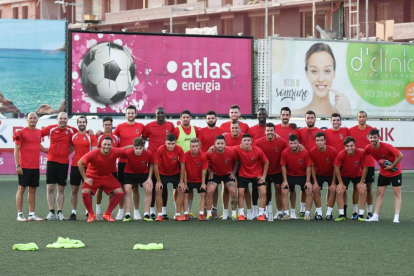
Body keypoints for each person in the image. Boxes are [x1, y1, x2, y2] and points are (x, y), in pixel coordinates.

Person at [294, 42, 351, 115]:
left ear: (334, 73)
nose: (321, 79)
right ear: (307, 73)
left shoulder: (344, 112)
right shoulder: (295, 114)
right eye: (314, 71)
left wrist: (348, 115)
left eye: (327, 71)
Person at [78, 137, 125, 222]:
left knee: (120, 192)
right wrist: (85, 178)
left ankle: (108, 214)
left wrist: (139, 146)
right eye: (105, 144)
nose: (106, 146)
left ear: (112, 145)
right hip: (92, 176)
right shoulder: (93, 153)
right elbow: (80, 162)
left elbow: (125, 148)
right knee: (85, 192)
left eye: (109, 145)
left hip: (107, 176)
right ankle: (91, 214)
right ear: (101, 145)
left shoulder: (115, 151)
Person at [41, 112, 77, 221]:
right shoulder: (51, 129)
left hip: (64, 163)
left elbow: (74, 144)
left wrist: (65, 154)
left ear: (67, 120)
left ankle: (60, 212)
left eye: (64, 118)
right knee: (50, 187)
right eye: (60, 118)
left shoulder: (72, 130)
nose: (62, 120)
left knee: (61, 188)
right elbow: (36, 135)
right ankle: (51, 212)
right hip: (51, 161)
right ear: (57, 119)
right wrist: (46, 151)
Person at [112, 105, 145, 220]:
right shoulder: (119, 127)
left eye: (132, 113)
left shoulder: (141, 126)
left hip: (136, 161)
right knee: (122, 188)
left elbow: (144, 140)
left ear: (136, 114)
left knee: (135, 187)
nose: (130, 115)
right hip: (122, 161)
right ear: (125, 114)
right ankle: (121, 211)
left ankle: (136, 212)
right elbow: (112, 139)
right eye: (128, 113)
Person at [13, 112, 47, 222]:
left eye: (34, 118)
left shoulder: (38, 132)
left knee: (32, 190)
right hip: (24, 166)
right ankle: (20, 214)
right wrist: (18, 165)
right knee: (21, 189)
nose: (32, 120)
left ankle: (32, 214)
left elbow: (37, 144)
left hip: (35, 167)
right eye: (30, 118)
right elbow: (16, 149)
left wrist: (48, 151)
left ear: (37, 120)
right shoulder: (21, 132)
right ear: (27, 120)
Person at [365, 129, 403, 223]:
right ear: (368, 138)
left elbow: (400, 155)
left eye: (375, 137)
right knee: (379, 194)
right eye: (371, 137)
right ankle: (375, 216)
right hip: (383, 173)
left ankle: (396, 217)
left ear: (379, 138)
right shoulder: (368, 148)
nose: (373, 139)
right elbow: (363, 153)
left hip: (395, 172)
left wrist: (391, 166)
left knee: (397, 194)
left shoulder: (387, 147)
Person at [143, 107, 175, 220]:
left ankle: (164, 211)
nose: (160, 115)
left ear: (165, 114)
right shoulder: (149, 126)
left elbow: (174, 139)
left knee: (163, 186)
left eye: (162, 113)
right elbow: (143, 138)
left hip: (165, 160)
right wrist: (145, 150)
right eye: (158, 113)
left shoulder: (170, 125)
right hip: (152, 160)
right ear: (155, 114)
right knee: (152, 186)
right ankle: (152, 211)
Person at [253, 123, 288, 220]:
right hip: (263, 171)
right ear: (265, 132)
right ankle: (262, 213)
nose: (269, 132)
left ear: (274, 131)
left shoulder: (281, 141)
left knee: (278, 189)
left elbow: (290, 148)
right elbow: (251, 150)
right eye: (268, 130)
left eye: (271, 130)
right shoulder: (258, 142)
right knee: (263, 191)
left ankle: (279, 212)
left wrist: (300, 146)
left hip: (277, 170)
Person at [233, 134, 269, 221]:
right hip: (243, 175)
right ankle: (241, 214)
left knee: (263, 192)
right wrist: (213, 147)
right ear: (241, 142)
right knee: (240, 193)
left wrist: (263, 176)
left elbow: (266, 161)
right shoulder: (237, 148)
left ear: (251, 141)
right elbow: (225, 148)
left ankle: (261, 214)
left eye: (248, 140)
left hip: (257, 175)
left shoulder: (257, 150)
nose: (246, 142)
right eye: (244, 140)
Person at [68, 116, 98, 220]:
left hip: (88, 167)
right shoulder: (73, 136)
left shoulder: (91, 135)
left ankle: (88, 212)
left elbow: (94, 152)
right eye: (80, 122)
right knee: (74, 190)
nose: (82, 123)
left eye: (83, 122)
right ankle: (73, 213)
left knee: (88, 190)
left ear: (86, 123)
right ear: (77, 123)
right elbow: (71, 149)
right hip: (75, 166)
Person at [197, 110, 224, 218]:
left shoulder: (221, 131)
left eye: (212, 118)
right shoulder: (201, 131)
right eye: (208, 118)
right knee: (204, 186)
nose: (211, 120)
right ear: (206, 120)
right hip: (204, 163)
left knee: (215, 186)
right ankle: (204, 208)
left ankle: (214, 208)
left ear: (216, 119)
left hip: (218, 163)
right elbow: (199, 147)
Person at [334, 136, 368, 222]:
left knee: (362, 190)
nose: (350, 148)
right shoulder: (341, 154)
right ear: (344, 147)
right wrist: (341, 183)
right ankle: (342, 214)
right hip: (345, 175)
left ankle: (360, 215)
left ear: (354, 145)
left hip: (357, 174)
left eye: (351, 145)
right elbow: (336, 167)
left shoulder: (360, 153)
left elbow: (365, 168)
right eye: (347, 146)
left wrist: (361, 182)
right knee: (340, 191)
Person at [349, 111, 375, 219]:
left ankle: (369, 212)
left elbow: (375, 147)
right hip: (356, 164)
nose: (362, 118)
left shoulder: (372, 131)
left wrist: (362, 151)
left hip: (369, 163)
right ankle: (355, 212)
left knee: (369, 187)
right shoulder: (351, 130)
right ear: (357, 118)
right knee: (356, 187)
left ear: (366, 118)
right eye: (360, 117)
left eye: (363, 117)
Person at [206, 135, 239, 221]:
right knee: (209, 191)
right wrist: (209, 171)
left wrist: (233, 172)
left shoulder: (231, 151)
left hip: (227, 174)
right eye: (218, 143)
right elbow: (204, 160)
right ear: (215, 144)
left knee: (233, 191)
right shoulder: (210, 152)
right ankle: (209, 213)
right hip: (215, 174)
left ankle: (234, 213)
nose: (220, 145)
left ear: (225, 144)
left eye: (222, 143)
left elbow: (237, 160)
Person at [154, 134, 186, 221]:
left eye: (172, 143)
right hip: (162, 173)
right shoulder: (161, 149)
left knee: (181, 190)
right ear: (165, 143)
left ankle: (178, 214)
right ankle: (160, 215)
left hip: (175, 173)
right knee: (158, 190)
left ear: (175, 143)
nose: (171, 146)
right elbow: (155, 165)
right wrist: (158, 181)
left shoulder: (179, 149)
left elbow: (183, 165)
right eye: (169, 143)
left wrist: (181, 181)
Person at [280, 134, 313, 220]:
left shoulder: (305, 152)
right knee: (284, 191)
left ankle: (307, 213)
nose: (293, 145)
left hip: (303, 175)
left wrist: (308, 181)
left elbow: (308, 166)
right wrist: (285, 180)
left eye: (295, 143)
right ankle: (288, 213)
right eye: (291, 143)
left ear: (298, 143)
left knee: (309, 191)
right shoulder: (285, 152)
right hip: (290, 175)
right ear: (289, 143)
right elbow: (283, 166)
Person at [122, 137, 154, 222]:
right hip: (129, 173)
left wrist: (150, 178)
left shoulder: (148, 153)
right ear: (133, 147)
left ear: (143, 147)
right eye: (136, 148)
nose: (138, 150)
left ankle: (146, 214)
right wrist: (128, 147)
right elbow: (117, 152)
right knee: (127, 190)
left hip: (143, 173)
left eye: (140, 148)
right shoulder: (128, 152)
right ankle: (127, 214)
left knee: (149, 190)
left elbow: (152, 165)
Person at [173, 110, 198, 218]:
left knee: (189, 187)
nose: (186, 119)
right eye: (184, 117)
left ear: (190, 118)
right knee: (178, 188)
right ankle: (177, 211)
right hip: (179, 163)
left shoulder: (195, 129)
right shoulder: (176, 130)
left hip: (191, 163)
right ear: (180, 118)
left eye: (187, 117)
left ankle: (189, 211)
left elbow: (198, 143)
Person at [275, 107, 299, 219]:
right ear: (280, 116)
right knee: (278, 188)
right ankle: (279, 211)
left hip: (291, 164)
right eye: (283, 115)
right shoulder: (274, 129)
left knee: (292, 188)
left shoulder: (294, 128)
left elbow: (299, 145)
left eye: (287, 115)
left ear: (290, 116)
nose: (285, 117)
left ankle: (293, 211)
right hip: (277, 164)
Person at [297, 110, 322, 218]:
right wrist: (299, 145)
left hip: (317, 165)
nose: (310, 120)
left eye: (312, 118)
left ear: (315, 119)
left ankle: (318, 210)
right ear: (305, 119)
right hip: (305, 165)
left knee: (317, 189)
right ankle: (303, 209)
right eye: (308, 118)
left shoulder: (320, 131)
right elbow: (295, 142)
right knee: (304, 188)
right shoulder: (300, 131)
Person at [324, 113, 349, 217]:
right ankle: (328, 210)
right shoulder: (325, 132)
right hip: (330, 163)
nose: (335, 122)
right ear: (331, 121)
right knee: (329, 188)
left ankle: (344, 210)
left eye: (337, 120)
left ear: (340, 121)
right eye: (333, 120)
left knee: (343, 188)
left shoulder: (346, 131)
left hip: (343, 163)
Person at [309, 132, 338, 220]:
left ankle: (329, 214)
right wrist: (315, 182)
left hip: (331, 174)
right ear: (315, 141)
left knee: (333, 190)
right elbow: (312, 167)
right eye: (318, 140)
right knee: (316, 189)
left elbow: (336, 167)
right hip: (318, 174)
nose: (320, 142)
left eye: (321, 140)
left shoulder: (332, 151)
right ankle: (319, 213)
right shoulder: (312, 152)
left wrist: (333, 183)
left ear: (325, 141)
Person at [95, 116, 119, 220]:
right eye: (106, 125)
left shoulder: (116, 138)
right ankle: (98, 210)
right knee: (99, 189)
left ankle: (109, 212)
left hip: (113, 168)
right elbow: (96, 152)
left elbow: (118, 151)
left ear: (112, 125)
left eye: (109, 124)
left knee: (112, 191)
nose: (108, 126)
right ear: (102, 125)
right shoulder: (99, 137)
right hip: (101, 168)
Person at [248, 108, 268, 218]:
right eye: (260, 114)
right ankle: (255, 210)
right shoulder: (251, 130)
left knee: (266, 188)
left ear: (267, 115)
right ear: (256, 115)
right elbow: (247, 143)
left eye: (263, 114)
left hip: (268, 163)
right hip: (255, 164)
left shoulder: (270, 128)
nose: (261, 116)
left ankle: (266, 210)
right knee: (255, 188)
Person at [184, 138, 208, 221]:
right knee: (186, 194)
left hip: (199, 180)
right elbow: (184, 170)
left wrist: (203, 183)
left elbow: (203, 170)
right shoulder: (185, 155)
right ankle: (186, 214)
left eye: (196, 146)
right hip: (188, 180)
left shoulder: (203, 155)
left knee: (203, 194)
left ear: (200, 146)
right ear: (190, 147)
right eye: (193, 146)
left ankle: (201, 214)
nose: (194, 148)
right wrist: (185, 183)